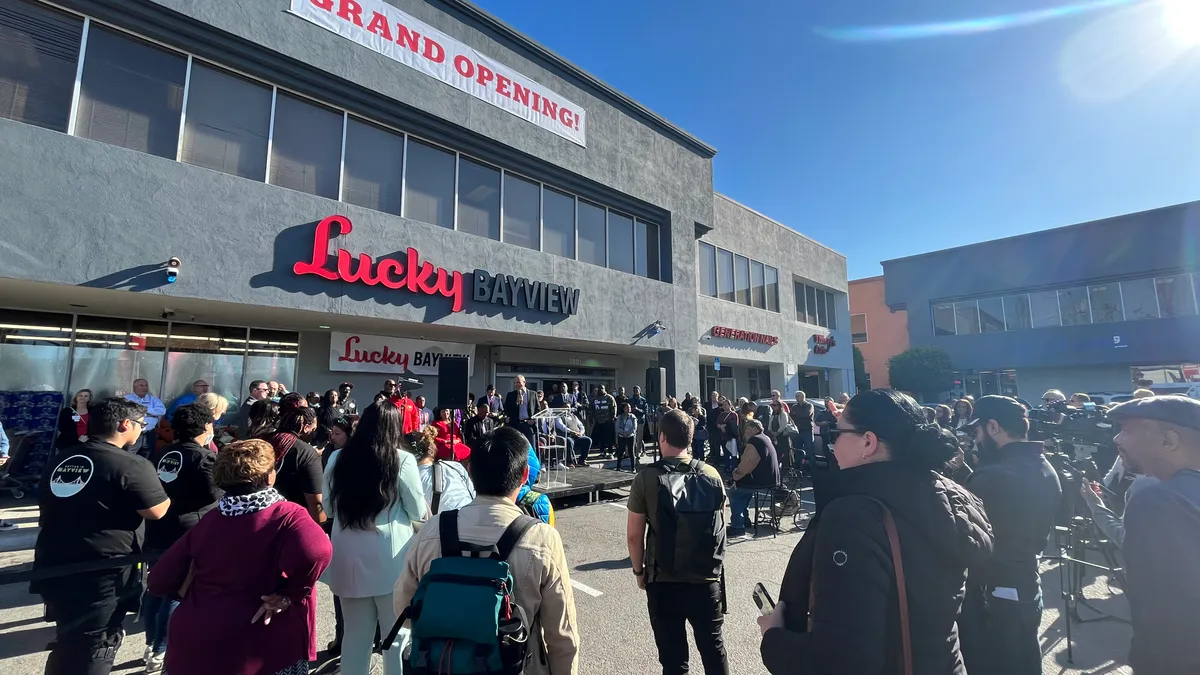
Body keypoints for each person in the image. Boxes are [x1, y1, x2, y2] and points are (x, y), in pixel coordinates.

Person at [757, 389, 994, 675]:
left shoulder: (854, 516)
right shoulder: (945, 499)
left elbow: (839, 661)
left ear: (868, 442)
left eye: (837, 432)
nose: (832, 445)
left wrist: (774, 638)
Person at [393, 426, 580, 675]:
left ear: (470, 471)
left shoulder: (435, 528)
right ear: (524, 475)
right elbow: (562, 636)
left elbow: (403, 609)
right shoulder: (542, 538)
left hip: (441, 665)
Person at [147, 439, 332, 675]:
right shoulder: (288, 515)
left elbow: (159, 580)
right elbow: (318, 550)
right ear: (269, 477)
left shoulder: (211, 520)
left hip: (195, 641)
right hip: (259, 645)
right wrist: (291, 593)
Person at [33, 397, 171, 675]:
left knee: (68, 637)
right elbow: (156, 511)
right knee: (97, 643)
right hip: (103, 570)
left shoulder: (63, 457)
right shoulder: (132, 464)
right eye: (141, 425)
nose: (142, 430)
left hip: (54, 559)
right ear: (124, 425)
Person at [958, 395, 1062, 675]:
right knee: (1024, 658)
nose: (975, 440)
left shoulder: (994, 477)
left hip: (993, 593)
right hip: (1024, 584)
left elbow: (961, 537)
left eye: (976, 431)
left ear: (992, 427)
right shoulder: (1041, 464)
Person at [324, 400, 427, 675]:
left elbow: (328, 508)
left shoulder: (337, 458)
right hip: (390, 557)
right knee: (396, 635)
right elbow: (418, 510)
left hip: (347, 556)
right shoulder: (402, 459)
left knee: (356, 634)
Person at [627, 409, 729, 675]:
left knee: (674, 660)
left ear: (661, 437)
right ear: (691, 438)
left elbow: (634, 535)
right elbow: (720, 524)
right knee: (713, 649)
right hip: (706, 579)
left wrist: (639, 572)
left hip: (664, 580)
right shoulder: (712, 474)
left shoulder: (647, 478)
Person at [1104, 395, 1200, 675]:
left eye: (1127, 430)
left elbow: (1167, 609)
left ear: (1168, 440)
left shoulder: (1158, 500)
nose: (1117, 440)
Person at [142, 404, 223, 673]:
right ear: (206, 427)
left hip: (159, 528)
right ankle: (163, 648)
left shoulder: (164, 452)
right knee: (178, 590)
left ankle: (151, 643)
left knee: (156, 586)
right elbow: (215, 494)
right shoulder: (203, 458)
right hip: (188, 531)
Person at [265, 405, 326, 524]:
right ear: (306, 428)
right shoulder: (306, 453)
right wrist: (322, 525)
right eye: (314, 429)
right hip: (290, 520)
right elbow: (314, 503)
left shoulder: (265, 441)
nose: (314, 433)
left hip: (259, 514)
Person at [727, 419, 781, 537]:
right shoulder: (765, 438)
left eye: (748, 428)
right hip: (770, 479)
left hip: (760, 481)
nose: (745, 430)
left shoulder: (754, 442)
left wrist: (735, 475)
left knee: (735, 492)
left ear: (755, 429)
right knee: (743, 491)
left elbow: (747, 465)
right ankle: (744, 520)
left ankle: (738, 526)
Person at [412, 426, 476, 514]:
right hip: (470, 517)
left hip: (439, 524)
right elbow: (473, 496)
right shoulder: (456, 467)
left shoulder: (412, 477)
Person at [125, 378, 166, 458]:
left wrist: (145, 410)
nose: (144, 387)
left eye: (146, 385)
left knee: (147, 457)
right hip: (133, 434)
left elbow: (162, 411)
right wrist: (151, 413)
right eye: (141, 385)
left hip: (149, 433)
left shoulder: (153, 399)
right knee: (129, 456)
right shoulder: (127, 399)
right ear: (134, 387)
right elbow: (125, 413)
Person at [504, 375, 538, 446]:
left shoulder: (533, 394)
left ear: (524, 382)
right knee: (516, 447)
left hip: (528, 424)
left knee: (530, 447)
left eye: (519, 382)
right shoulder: (510, 395)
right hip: (515, 424)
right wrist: (516, 402)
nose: (517, 384)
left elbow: (538, 409)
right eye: (515, 383)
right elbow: (507, 410)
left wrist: (534, 420)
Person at [766, 400, 796, 470]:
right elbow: (769, 425)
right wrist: (772, 432)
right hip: (774, 436)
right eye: (772, 405)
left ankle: (787, 468)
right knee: (777, 453)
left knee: (786, 453)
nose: (773, 407)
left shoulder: (783, 414)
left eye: (775, 405)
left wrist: (777, 433)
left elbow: (783, 425)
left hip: (783, 436)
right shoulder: (773, 415)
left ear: (779, 406)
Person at [591, 385, 618, 458]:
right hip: (599, 422)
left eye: (602, 388)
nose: (601, 390)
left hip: (608, 421)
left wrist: (612, 417)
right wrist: (593, 418)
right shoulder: (595, 399)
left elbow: (614, 407)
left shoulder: (609, 397)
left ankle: (610, 452)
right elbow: (592, 409)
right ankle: (602, 452)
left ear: (604, 389)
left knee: (609, 438)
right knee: (601, 438)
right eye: (599, 389)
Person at [789, 391, 814, 465]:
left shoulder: (809, 405)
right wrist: (796, 414)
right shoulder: (794, 406)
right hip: (797, 431)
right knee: (798, 450)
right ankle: (799, 468)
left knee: (809, 450)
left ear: (803, 397)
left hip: (807, 431)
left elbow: (806, 414)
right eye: (796, 396)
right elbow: (791, 416)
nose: (796, 398)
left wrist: (796, 414)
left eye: (798, 396)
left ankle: (812, 469)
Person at [716, 399, 740, 472]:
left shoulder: (734, 414)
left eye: (726, 405)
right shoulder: (721, 414)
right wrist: (720, 426)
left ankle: (733, 468)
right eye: (724, 405)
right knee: (725, 453)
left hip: (731, 437)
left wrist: (724, 427)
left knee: (732, 453)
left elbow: (734, 424)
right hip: (723, 437)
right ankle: (726, 468)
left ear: (730, 405)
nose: (725, 406)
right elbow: (717, 423)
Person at [616, 402, 638, 472]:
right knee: (620, 451)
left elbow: (634, 427)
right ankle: (618, 466)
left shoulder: (633, 417)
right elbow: (617, 426)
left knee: (631, 452)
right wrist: (622, 432)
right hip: (621, 436)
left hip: (630, 436)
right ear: (624, 409)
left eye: (629, 408)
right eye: (627, 408)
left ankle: (633, 468)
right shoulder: (620, 417)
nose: (628, 409)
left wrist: (628, 433)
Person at [630, 385, 650, 456]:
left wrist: (638, 409)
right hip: (632, 421)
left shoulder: (643, 400)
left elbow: (645, 411)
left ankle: (639, 451)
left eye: (637, 390)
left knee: (639, 437)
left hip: (641, 421)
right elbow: (628, 410)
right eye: (634, 390)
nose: (636, 391)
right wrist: (632, 409)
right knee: (633, 437)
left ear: (639, 391)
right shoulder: (631, 400)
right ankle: (632, 451)